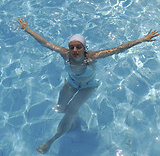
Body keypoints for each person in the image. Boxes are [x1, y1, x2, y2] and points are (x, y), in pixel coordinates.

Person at [17, 17, 159, 154]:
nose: (75, 50)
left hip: (88, 86)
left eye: (78, 47)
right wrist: (27, 29)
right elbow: (45, 43)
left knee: (71, 110)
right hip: (71, 84)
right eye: (72, 47)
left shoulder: (92, 57)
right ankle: (72, 122)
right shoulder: (65, 55)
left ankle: (51, 140)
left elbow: (119, 49)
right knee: (60, 109)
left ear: (84, 48)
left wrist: (142, 39)